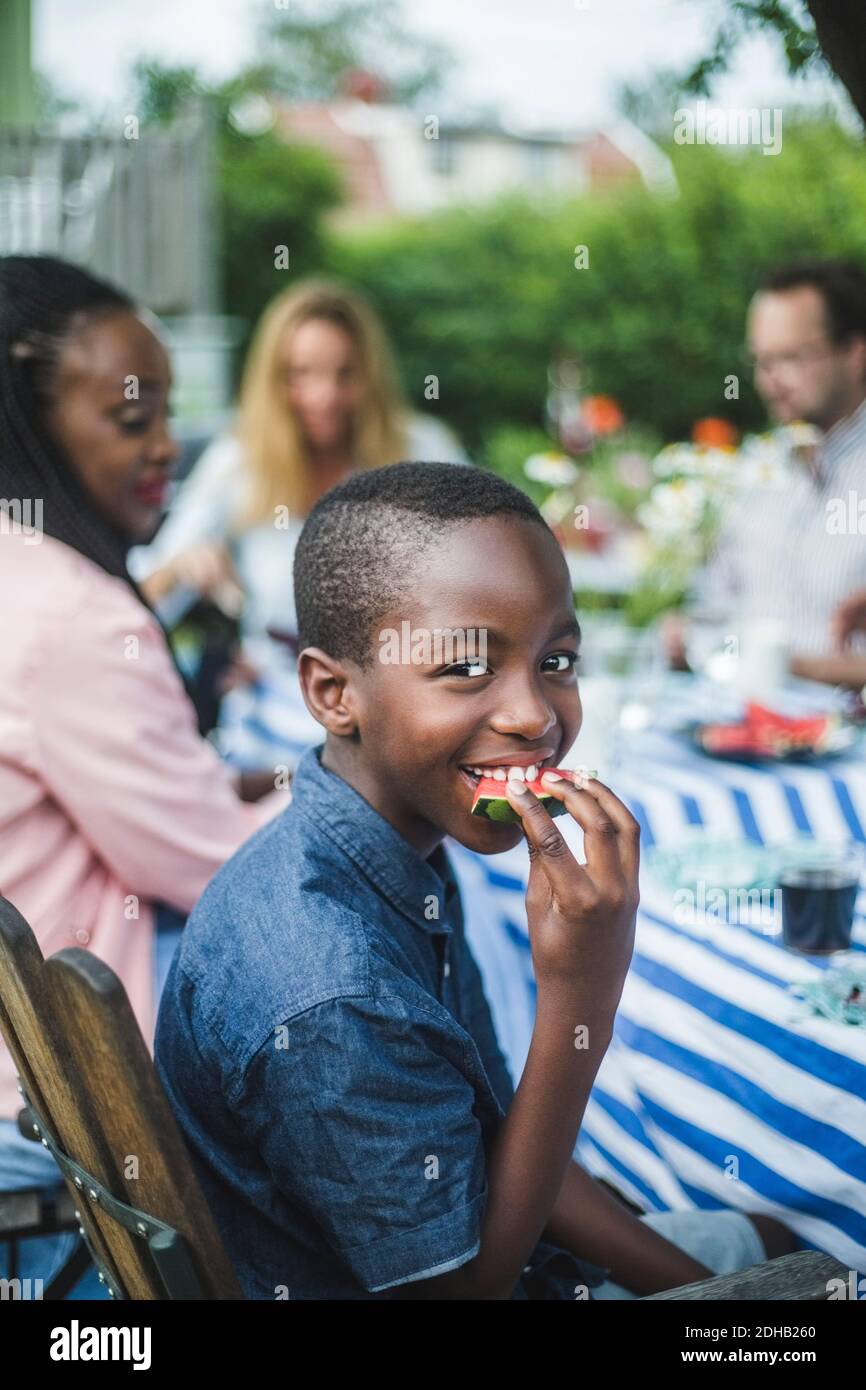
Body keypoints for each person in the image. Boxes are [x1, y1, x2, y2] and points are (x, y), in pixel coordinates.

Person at [155, 461, 795, 1300]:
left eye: (557, 660)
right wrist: (580, 1001)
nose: (534, 716)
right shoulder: (332, 995)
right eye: (465, 668)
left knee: (776, 1246)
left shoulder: (394, 849)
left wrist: (706, 1290)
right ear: (332, 691)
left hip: (495, 1244)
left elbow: (498, 1139)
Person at [0, 255, 285, 1292]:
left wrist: (252, 781)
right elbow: (217, 867)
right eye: (132, 420)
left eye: (167, 412)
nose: (168, 446)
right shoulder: (70, 616)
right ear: (26, 424)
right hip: (54, 1147)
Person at [130, 279, 469, 658]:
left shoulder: (422, 449)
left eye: (346, 373)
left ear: (371, 375)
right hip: (275, 690)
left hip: (402, 689)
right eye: (300, 374)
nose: (324, 396)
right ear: (272, 380)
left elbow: (483, 567)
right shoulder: (241, 459)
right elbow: (146, 596)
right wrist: (184, 566)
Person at [666, 260, 866, 685]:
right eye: (761, 361)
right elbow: (713, 603)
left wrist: (802, 669)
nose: (769, 380)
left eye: (791, 357)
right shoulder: (756, 468)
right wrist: (685, 636)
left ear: (855, 352)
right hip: (739, 722)